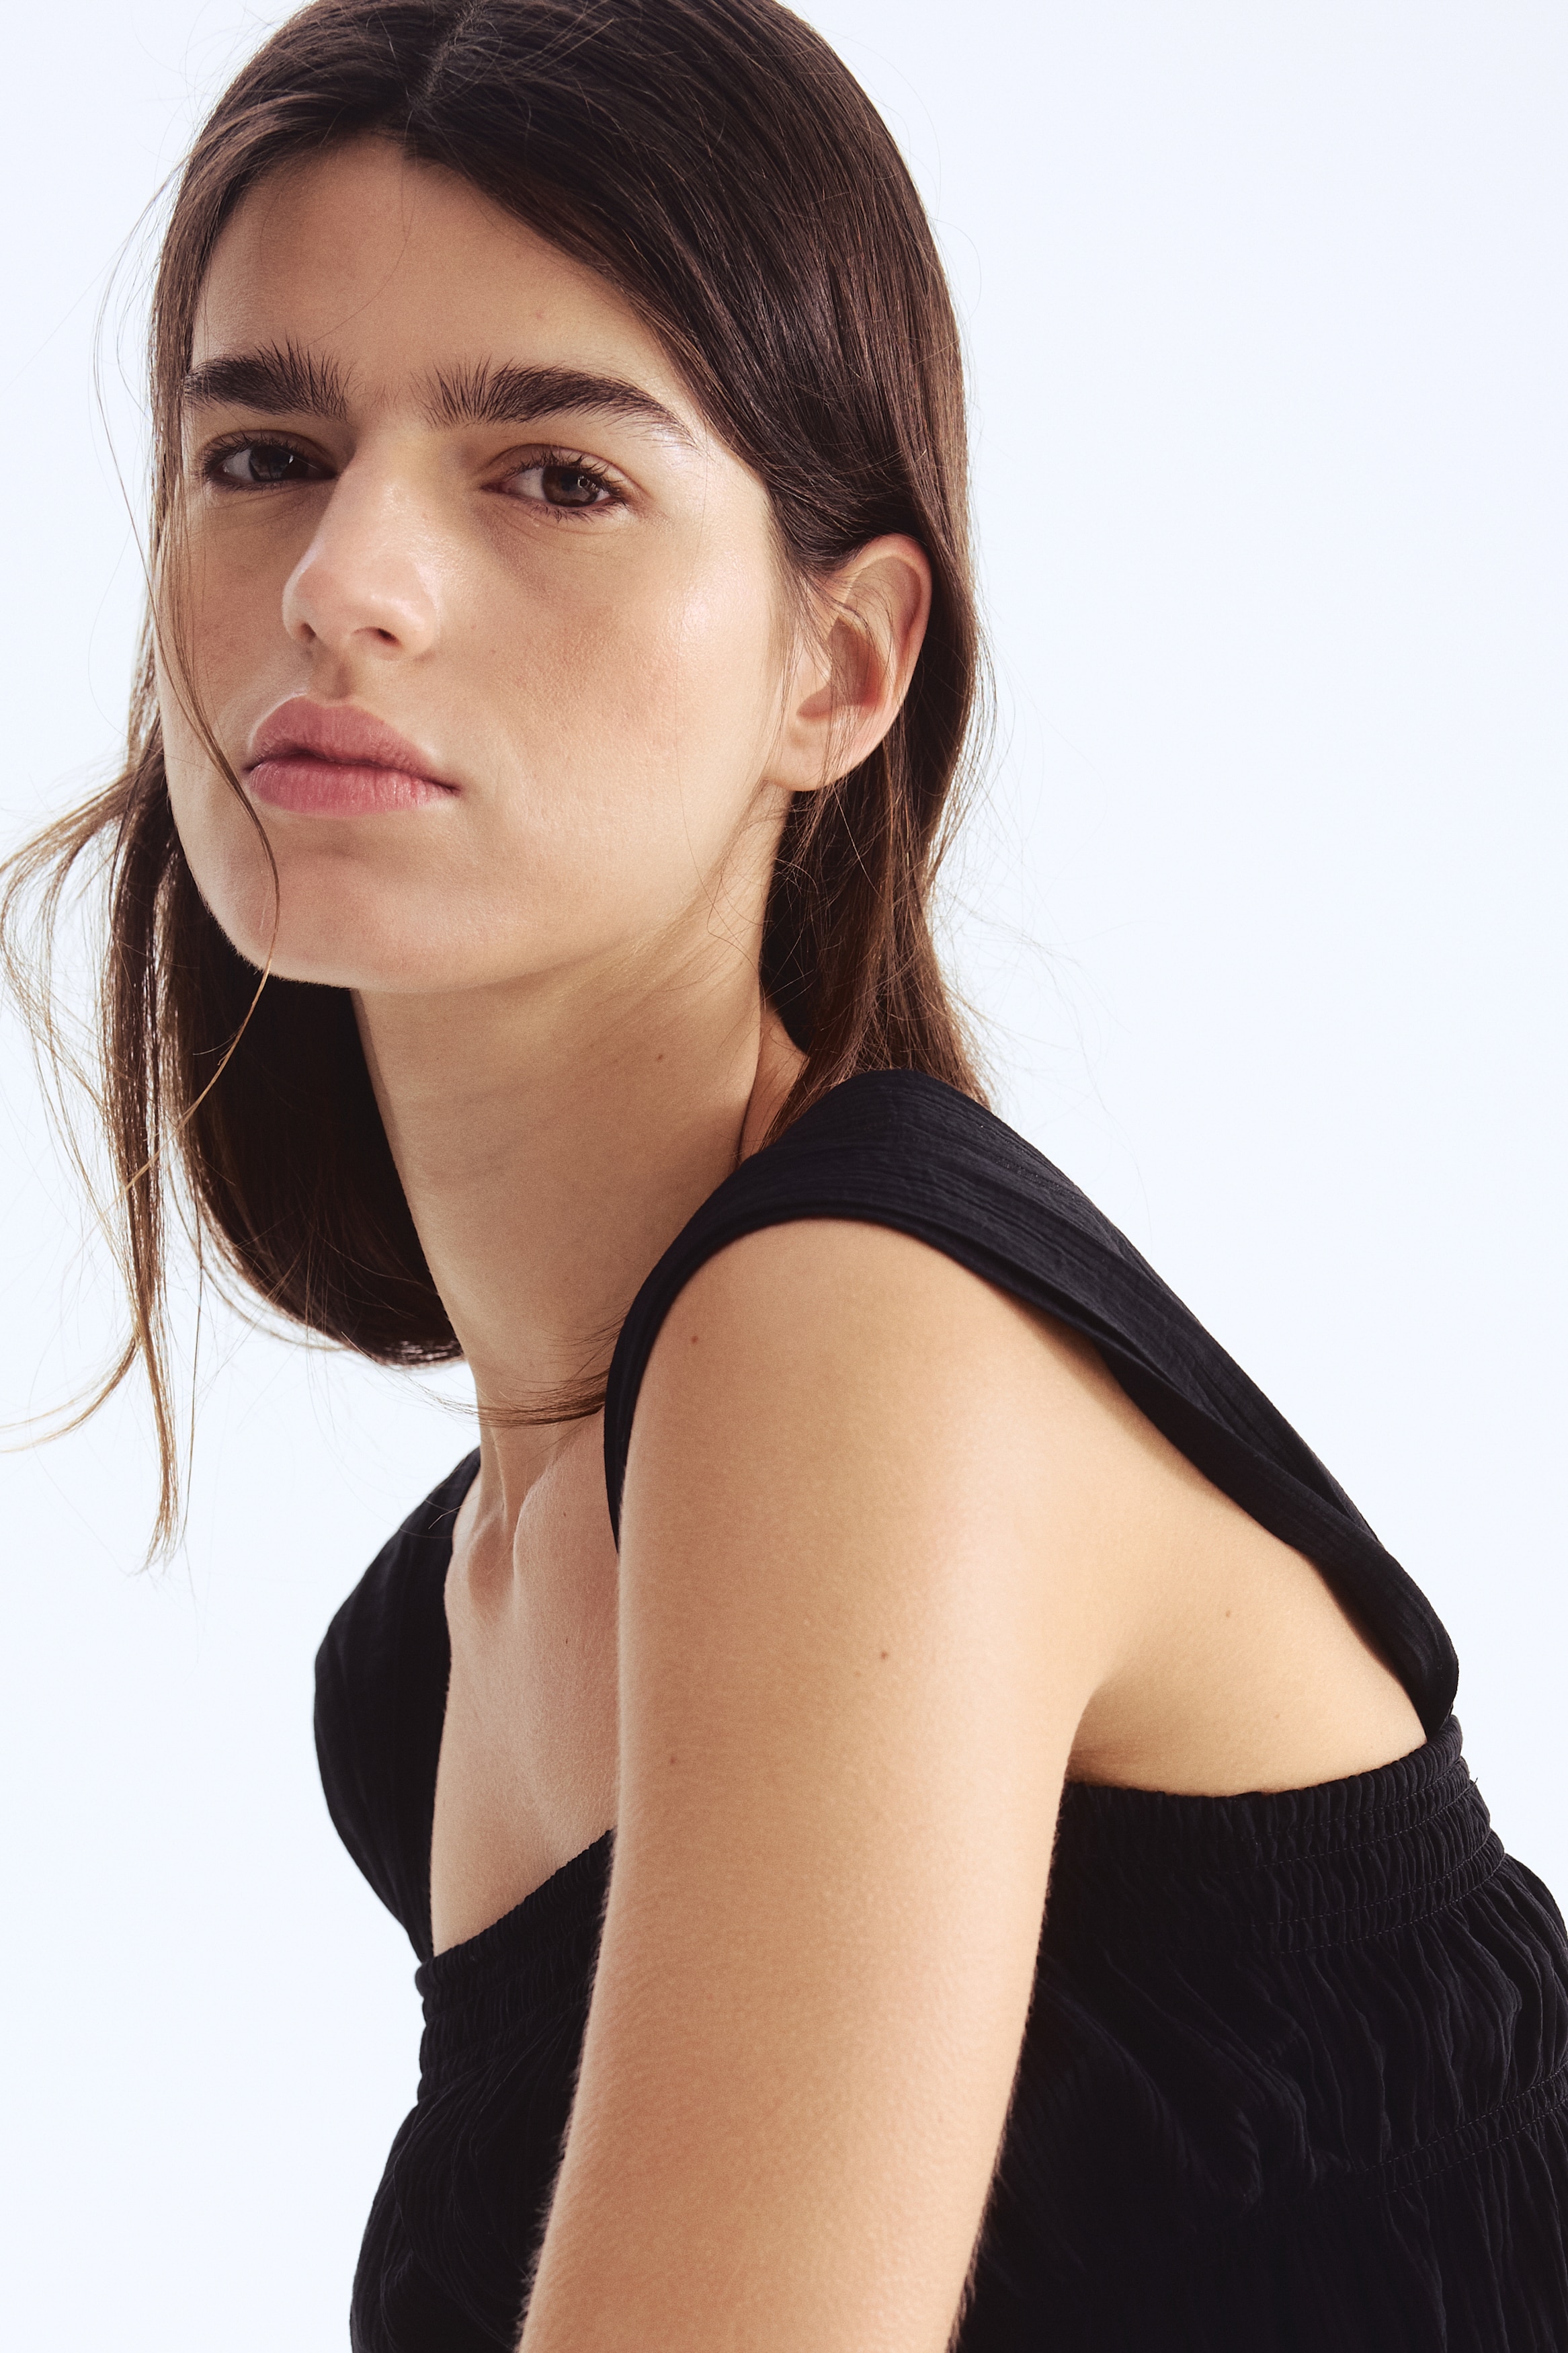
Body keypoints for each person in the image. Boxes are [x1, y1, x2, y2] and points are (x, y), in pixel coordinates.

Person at [5, 1, 1565, 2346]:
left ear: (839, 666)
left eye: (553, 476)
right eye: (263, 453)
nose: (345, 579)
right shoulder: (435, 1652)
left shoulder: (848, 1336)